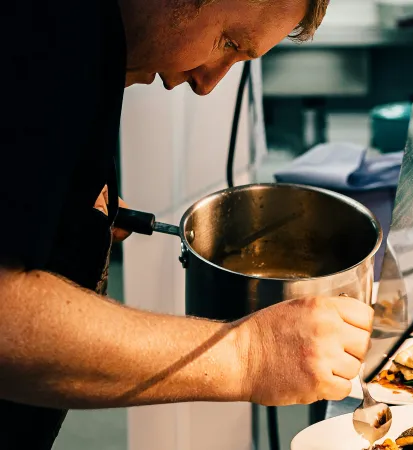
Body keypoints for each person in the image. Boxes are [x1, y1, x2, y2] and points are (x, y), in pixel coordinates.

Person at [2, 0, 373, 448]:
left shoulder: (92, 47)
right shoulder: (46, 34)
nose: (207, 83)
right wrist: (249, 355)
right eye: (228, 42)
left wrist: (64, 207)